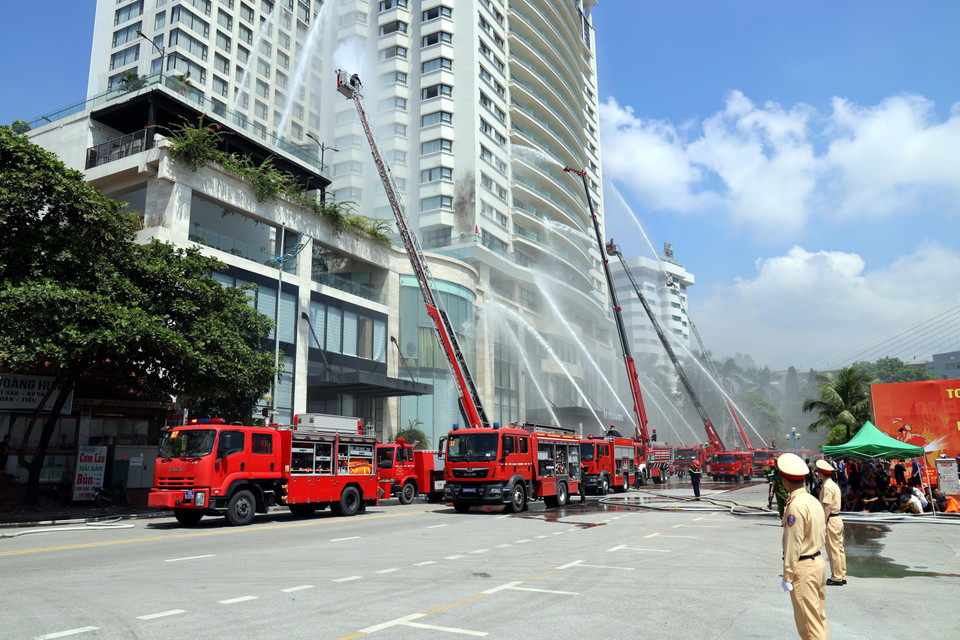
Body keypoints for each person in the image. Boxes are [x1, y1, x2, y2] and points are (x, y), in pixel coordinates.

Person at [778, 453, 828, 640]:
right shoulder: (812, 500)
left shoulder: (795, 506)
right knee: (818, 618)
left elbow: (793, 544)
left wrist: (788, 575)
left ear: (784, 480)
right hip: (818, 563)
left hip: (804, 568)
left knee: (808, 625)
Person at [816, 460, 846, 586]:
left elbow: (827, 506)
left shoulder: (827, 486)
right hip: (837, 519)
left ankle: (836, 577)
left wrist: (823, 523)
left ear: (821, 473)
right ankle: (841, 574)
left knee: (833, 550)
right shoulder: (833, 484)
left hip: (831, 520)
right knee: (839, 549)